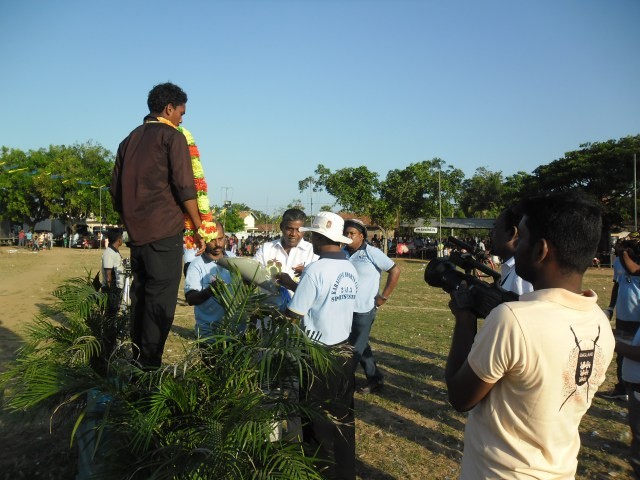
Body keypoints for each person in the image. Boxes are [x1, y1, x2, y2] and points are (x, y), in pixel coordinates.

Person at [445, 191, 614, 479]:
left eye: (521, 238)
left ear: (540, 250)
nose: (516, 245)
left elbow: (461, 398)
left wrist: (464, 320)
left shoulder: (512, 320)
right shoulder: (599, 322)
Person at [110, 82, 205, 369]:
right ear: (168, 108)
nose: (182, 119)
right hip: (164, 232)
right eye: (181, 113)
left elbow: (115, 193)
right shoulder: (172, 137)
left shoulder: (128, 140)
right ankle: (149, 367)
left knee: (140, 298)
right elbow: (185, 187)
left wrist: (132, 219)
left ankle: (137, 362)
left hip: (138, 237)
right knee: (160, 302)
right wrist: (199, 227)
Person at [284, 211, 358, 480]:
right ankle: (345, 473)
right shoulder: (348, 267)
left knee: (316, 425)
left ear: (316, 237)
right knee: (343, 420)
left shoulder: (315, 270)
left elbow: (294, 314)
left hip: (318, 355)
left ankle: (321, 474)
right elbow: (327, 299)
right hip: (345, 351)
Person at [343, 218, 400, 394]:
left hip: (364, 309)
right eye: (345, 233)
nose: (348, 236)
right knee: (361, 344)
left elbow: (395, 270)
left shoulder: (371, 252)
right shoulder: (342, 252)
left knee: (354, 349)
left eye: (352, 233)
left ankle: (343, 383)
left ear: (361, 236)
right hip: (344, 309)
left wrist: (384, 296)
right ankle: (375, 379)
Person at [603, 233, 640, 401]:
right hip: (624, 314)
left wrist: (623, 252)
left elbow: (633, 270)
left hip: (637, 315)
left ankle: (634, 389)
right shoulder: (618, 261)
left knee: (634, 352)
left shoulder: (631, 261)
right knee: (621, 354)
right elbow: (617, 284)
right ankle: (622, 388)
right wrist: (611, 308)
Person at [185, 221, 235, 338]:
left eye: (220, 238)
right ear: (205, 239)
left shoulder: (234, 259)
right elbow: (191, 298)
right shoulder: (196, 264)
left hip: (235, 332)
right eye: (212, 240)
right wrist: (210, 291)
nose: (218, 244)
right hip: (209, 334)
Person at [254, 208, 318, 297]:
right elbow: (253, 274)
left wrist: (305, 273)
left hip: (299, 304)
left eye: (298, 230)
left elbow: (316, 288)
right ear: (281, 227)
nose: (293, 234)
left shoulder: (313, 252)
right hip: (267, 304)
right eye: (289, 229)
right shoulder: (266, 249)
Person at [491, 204, 533, 296]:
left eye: (495, 227)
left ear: (511, 233)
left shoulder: (522, 278)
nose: (491, 233)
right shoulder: (515, 271)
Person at [101, 228, 125, 317]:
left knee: (115, 313)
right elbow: (108, 274)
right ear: (119, 240)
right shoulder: (109, 253)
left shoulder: (115, 251)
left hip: (117, 288)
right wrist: (111, 293)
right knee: (110, 315)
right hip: (111, 290)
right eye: (121, 237)